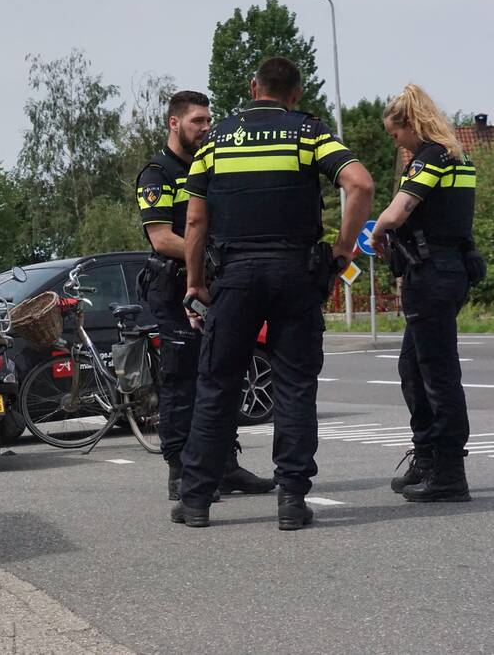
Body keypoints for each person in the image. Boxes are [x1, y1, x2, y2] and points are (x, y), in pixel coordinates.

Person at [173, 57, 374, 530]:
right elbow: (360, 183)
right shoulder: (308, 132)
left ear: (253, 87)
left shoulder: (216, 139)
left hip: (235, 277)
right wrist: (341, 254)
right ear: (296, 94)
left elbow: (196, 221)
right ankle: (291, 499)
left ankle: (197, 500)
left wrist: (195, 281)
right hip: (294, 275)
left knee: (217, 385)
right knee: (294, 386)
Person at [135, 90, 274, 501]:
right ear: (174, 123)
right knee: (181, 380)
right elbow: (161, 239)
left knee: (224, 373)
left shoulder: (212, 165)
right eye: (198, 120)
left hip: (216, 286)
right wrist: (210, 257)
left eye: (209, 120)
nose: (206, 127)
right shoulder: (156, 174)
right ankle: (180, 470)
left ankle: (224, 464)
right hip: (175, 288)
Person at [369, 84, 477, 502]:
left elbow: (398, 211)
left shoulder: (433, 155)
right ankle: (429, 457)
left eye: (395, 134)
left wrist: (377, 230)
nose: (395, 142)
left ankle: (448, 472)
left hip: (432, 274)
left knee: (437, 376)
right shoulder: (455, 155)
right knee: (414, 369)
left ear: (411, 124)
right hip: (444, 271)